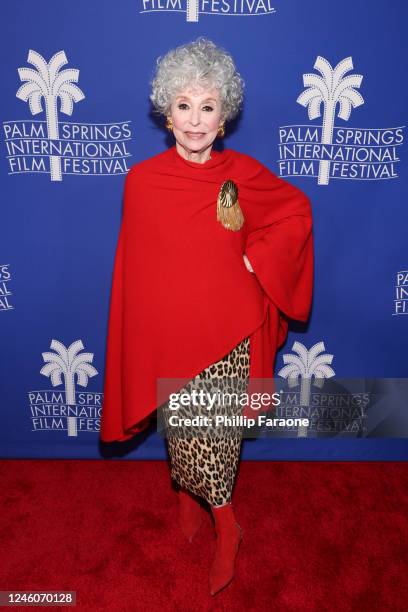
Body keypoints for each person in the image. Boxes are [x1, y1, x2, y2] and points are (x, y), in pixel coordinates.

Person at [100, 36, 314, 596]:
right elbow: (137, 272)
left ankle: (226, 526)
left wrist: (256, 256)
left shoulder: (242, 174)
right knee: (180, 426)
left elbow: (295, 211)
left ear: (224, 119)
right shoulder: (141, 183)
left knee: (212, 435)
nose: (195, 120)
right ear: (166, 114)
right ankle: (186, 500)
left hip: (229, 331)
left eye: (208, 107)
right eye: (184, 106)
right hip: (168, 332)